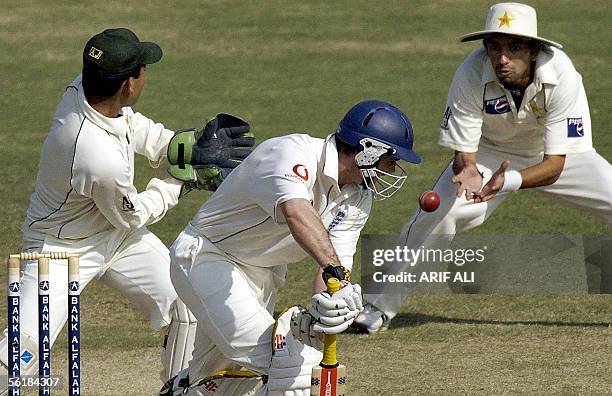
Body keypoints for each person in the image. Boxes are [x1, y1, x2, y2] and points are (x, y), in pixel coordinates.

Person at [0, 28, 255, 391]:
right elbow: (131, 214)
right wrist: (181, 181)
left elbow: (130, 123)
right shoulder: (95, 155)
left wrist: (180, 148)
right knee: (20, 355)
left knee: (187, 302)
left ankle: (178, 389)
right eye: (142, 69)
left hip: (114, 236)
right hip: (59, 249)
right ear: (128, 85)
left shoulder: (85, 87)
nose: (145, 74)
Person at [355, 2, 612, 333]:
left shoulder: (562, 74)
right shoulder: (471, 71)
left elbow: (555, 166)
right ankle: (378, 306)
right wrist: (468, 169)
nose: (501, 58)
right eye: (494, 46)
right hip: (490, 152)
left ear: (534, 49)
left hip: (554, 153)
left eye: (514, 47)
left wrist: (507, 182)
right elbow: (465, 150)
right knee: (438, 215)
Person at [159, 99, 422, 395]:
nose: (393, 169)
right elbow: (296, 212)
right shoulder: (292, 153)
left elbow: (334, 267)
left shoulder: (359, 198)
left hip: (261, 275)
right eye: (392, 159)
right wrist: (335, 271)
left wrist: (331, 304)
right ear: (369, 151)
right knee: (295, 366)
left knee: (214, 381)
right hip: (207, 258)